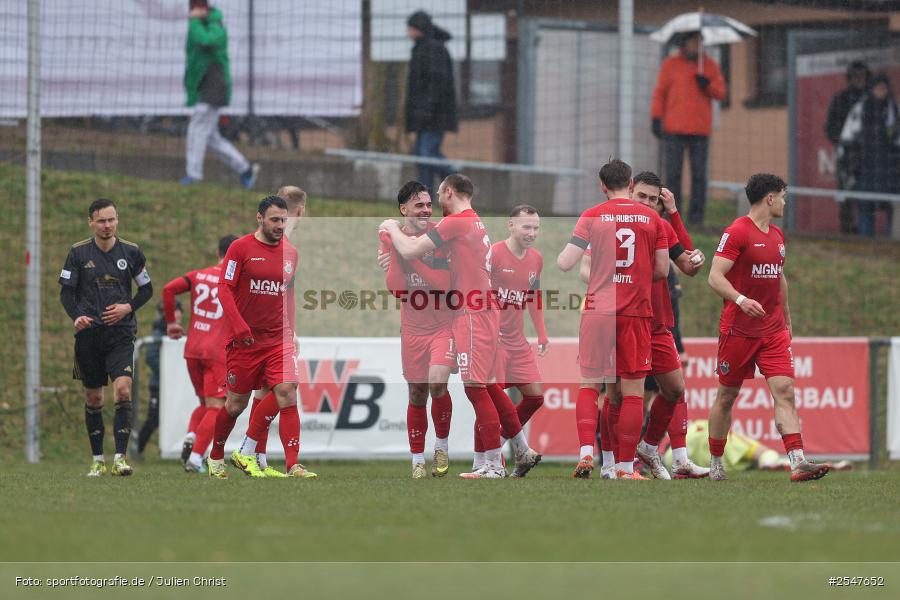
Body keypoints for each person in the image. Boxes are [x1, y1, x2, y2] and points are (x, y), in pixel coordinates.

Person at [381, 174, 542, 479]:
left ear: (449, 192)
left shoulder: (456, 221)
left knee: (476, 389)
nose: (434, 205)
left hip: (471, 312)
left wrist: (390, 230)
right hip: (479, 310)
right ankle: (520, 450)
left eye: (438, 196)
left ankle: (494, 465)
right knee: (487, 386)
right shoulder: (473, 221)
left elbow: (414, 252)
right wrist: (394, 250)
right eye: (422, 204)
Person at [707, 173, 829, 483]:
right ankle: (716, 461)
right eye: (783, 196)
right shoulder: (737, 232)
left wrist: (786, 318)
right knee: (727, 396)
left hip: (773, 331)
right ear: (769, 198)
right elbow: (715, 276)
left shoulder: (777, 236)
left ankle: (797, 461)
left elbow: (779, 277)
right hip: (739, 331)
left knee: (785, 391)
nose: (786, 202)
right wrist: (740, 299)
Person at [557, 159, 669, 480]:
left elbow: (566, 263)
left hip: (596, 311)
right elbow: (662, 270)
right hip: (634, 312)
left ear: (602, 186)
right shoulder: (652, 219)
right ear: (631, 184)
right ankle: (623, 467)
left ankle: (585, 454)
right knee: (633, 392)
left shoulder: (592, 216)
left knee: (591, 385)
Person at [207, 196, 316, 479]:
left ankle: (293, 464)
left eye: (284, 220)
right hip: (245, 342)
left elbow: (288, 295)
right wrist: (239, 326)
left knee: (287, 390)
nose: (280, 225)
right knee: (235, 405)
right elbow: (224, 288)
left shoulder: (291, 253)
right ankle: (216, 456)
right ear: (260, 218)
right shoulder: (240, 248)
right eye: (275, 220)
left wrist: (291, 331)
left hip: (277, 339)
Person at [59, 198, 154, 476]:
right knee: (94, 398)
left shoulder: (132, 252)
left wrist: (128, 307)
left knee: (123, 390)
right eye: (101, 220)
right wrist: (77, 316)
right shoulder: (78, 253)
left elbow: (147, 290)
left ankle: (120, 459)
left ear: (117, 220)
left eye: (111, 219)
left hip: (121, 335)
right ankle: (97, 459)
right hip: (89, 336)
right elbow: (66, 292)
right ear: (91, 222)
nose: (107, 225)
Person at [377, 181, 456, 478]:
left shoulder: (439, 235)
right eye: (418, 204)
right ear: (403, 209)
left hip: (442, 326)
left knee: (438, 383)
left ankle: (441, 447)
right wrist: (397, 250)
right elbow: (398, 290)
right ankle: (417, 462)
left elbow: (442, 284)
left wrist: (403, 254)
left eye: (427, 204)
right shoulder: (393, 238)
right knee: (416, 394)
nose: (425, 209)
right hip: (412, 329)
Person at [234, 186, 307, 478]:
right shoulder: (277, 246)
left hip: (270, 334)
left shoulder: (282, 247)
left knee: (271, 391)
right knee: (276, 391)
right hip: (258, 335)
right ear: (300, 212)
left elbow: (286, 292)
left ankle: (261, 459)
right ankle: (248, 450)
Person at [470, 204, 549, 475]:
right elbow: (476, 291)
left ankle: (505, 444)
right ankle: (481, 463)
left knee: (535, 397)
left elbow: (534, 298)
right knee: (489, 401)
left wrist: (541, 333)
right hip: (494, 340)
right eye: (527, 226)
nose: (532, 232)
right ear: (511, 225)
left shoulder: (536, 259)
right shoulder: (493, 254)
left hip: (518, 342)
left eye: (536, 228)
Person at [162, 234, 238, 473]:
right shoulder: (235, 281)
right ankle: (195, 458)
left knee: (205, 404)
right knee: (218, 407)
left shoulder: (197, 276)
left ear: (217, 254)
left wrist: (172, 322)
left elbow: (168, 290)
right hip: (217, 351)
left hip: (193, 348)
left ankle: (193, 434)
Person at [181, 0, 259, 189]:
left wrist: (194, 22)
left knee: (197, 129)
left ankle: (194, 176)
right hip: (205, 87)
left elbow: (206, 40)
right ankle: (245, 169)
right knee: (211, 137)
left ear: (204, 8)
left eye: (196, 8)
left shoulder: (215, 25)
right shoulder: (203, 24)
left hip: (214, 87)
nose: (193, 12)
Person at [651, 31, 726, 225]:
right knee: (673, 175)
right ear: (685, 43)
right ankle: (670, 217)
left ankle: (696, 219)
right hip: (674, 129)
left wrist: (707, 85)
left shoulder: (709, 66)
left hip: (699, 130)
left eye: (700, 42)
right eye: (694, 42)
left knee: (699, 176)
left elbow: (720, 93)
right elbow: (660, 93)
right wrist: (656, 117)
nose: (697, 46)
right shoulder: (670, 64)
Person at [838, 73, 899, 237]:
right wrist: (848, 166)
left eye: (883, 88)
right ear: (872, 89)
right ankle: (866, 245)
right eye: (878, 88)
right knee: (865, 208)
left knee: (892, 208)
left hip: (890, 171)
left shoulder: (894, 110)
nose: (881, 92)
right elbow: (847, 140)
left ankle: (891, 244)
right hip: (865, 170)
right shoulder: (860, 110)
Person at [405, 10, 458, 194]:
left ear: (418, 29)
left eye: (410, 28)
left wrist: (426, 110)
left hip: (434, 115)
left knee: (427, 154)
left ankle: (459, 185)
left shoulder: (433, 49)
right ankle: (425, 196)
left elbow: (436, 85)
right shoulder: (423, 48)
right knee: (422, 156)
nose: (408, 32)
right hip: (425, 114)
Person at [825, 61, 870, 233]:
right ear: (850, 78)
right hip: (848, 156)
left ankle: (866, 231)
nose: (860, 79)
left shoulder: (871, 98)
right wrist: (845, 141)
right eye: (856, 76)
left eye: (863, 76)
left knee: (866, 194)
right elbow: (830, 128)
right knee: (845, 194)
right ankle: (846, 231)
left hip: (869, 156)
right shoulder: (841, 99)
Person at [134, 299, 182, 458]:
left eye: (179, 310)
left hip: (174, 385)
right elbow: (151, 357)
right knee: (153, 419)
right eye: (175, 310)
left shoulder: (178, 333)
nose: (179, 314)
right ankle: (137, 448)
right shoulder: (159, 334)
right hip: (159, 385)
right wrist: (168, 373)